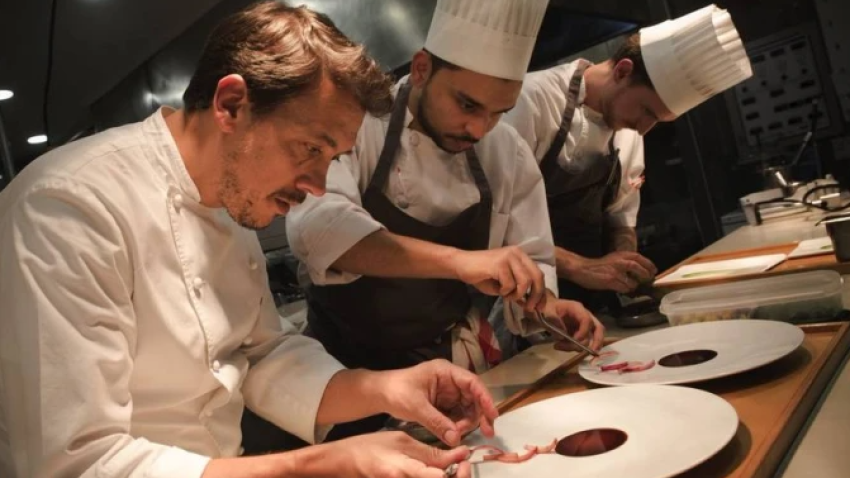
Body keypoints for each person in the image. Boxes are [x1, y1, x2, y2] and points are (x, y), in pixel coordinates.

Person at [0, 2, 499, 477]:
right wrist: (318, 464)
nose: (318, 186)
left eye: (333, 158)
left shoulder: (231, 199)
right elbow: (76, 462)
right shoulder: (67, 207)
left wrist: (384, 387)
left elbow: (259, 356)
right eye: (309, 149)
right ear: (231, 104)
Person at [280, 0, 604, 441]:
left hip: (445, 380)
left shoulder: (505, 151)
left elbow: (531, 257)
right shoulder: (361, 125)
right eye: (467, 104)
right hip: (341, 376)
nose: (478, 128)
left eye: (498, 112)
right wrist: (459, 261)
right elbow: (317, 231)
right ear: (421, 68)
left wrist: (544, 306)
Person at [503, 4, 752, 307]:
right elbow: (497, 227)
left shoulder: (629, 128)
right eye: (647, 111)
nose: (645, 128)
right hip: (521, 298)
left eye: (658, 120)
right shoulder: (531, 101)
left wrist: (624, 259)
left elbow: (621, 215)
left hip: (590, 302)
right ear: (623, 71)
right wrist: (582, 267)